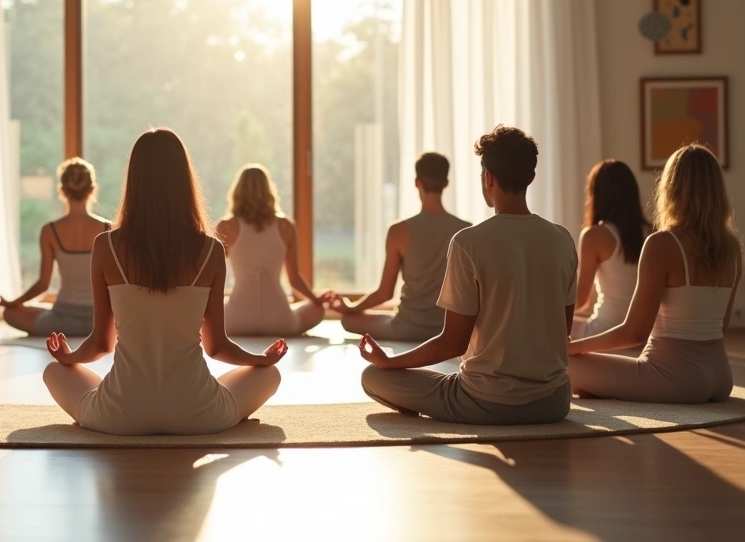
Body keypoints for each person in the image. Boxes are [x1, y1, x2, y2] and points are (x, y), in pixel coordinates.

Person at [42, 129, 287, 436]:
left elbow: (101, 344)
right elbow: (217, 347)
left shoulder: (106, 246)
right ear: (184, 181)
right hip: (198, 415)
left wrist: (68, 356)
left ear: (134, 180)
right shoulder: (212, 250)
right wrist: (260, 359)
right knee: (269, 375)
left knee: (54, 371)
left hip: (119, 416)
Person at [358, 126, 575, 425]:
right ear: (531, 177)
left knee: (373, 376)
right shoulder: (562, 239)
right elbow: (562, 331)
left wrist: (389, 362)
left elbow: (452, 344)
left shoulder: (468, 242)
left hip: (484, 402)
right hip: (553, 403)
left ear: (488, 178)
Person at [568, 145, 738, 404]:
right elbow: (721, 329)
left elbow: (634, 334)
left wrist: (571, 348)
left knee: (563, 365)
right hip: (720, 378)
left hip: (675, 379)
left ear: (670, 188)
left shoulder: (663, 244)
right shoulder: (732, 248)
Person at [329, 153, 471, 341]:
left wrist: (350, 307)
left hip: (407, 328)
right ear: (446, 183)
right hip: (448, 330)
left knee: (348, 321)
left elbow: (385, 293)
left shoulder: (399, 230)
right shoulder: (466, 230)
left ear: (416, 182)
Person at [0, 158, 111, 336]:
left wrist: (13, 303)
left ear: (62, 191)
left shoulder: (49, 231)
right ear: (92, 190)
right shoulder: (108, 229)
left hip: (61, 321)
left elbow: (43, 284)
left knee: (10, 314)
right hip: (101, 322)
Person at [217, 164, 329, 336]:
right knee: (317, 310)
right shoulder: (286, 225)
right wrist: (316, 299)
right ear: (269, 190)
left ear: (237, 192)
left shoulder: (226, 226)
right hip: (281, 321)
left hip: (234, 321)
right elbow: (295, 280)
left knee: (206, 312)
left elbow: (212, 275)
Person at [571, 159, 651, 340]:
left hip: (606, 331)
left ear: (597, 195)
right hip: (643, 334)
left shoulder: (594, 235)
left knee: (549, 331)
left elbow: (580, 301)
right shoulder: (654, 233)